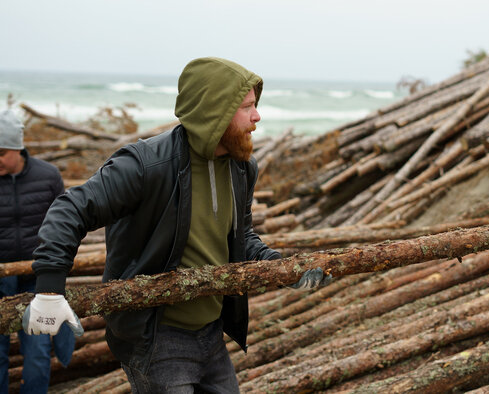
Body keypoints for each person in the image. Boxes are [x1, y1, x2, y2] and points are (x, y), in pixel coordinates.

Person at [22, 57, 330, 393]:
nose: (257, 116)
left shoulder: (242, 168)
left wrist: (284, 269)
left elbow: (241, 239)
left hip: (211, 333)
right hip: (157, 338)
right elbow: (71, 207)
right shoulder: (147, 165)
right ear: (215, 111)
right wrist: (50, 287)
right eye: (247, 107)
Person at [0, 109, 76, 394]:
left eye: (1, 152)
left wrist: (57, 271)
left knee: (39, 352)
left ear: (18, 148)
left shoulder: (48, 176)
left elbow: (65, 226)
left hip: (36, 279)